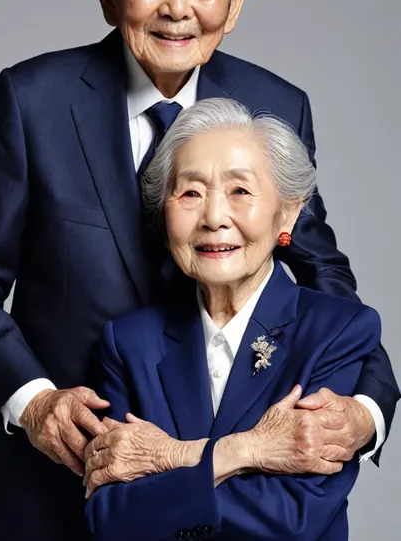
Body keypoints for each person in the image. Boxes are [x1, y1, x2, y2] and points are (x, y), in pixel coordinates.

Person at [0, 0, 398, 541]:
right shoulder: (36, 101)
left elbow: (330, 286)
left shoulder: (275, 104)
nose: (177, 7)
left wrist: (369, 408)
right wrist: (35, 403)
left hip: (241, 500)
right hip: (62, 489)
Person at [83, 98, 381, 541]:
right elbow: (110, 520)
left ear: (288, 212)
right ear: (165, 217)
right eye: (190, 193)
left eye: (240, 191)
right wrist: (244, 451)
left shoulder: (336, 331)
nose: (214, 218)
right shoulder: (128, 343)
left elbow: (291, 520)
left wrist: (170, 458)